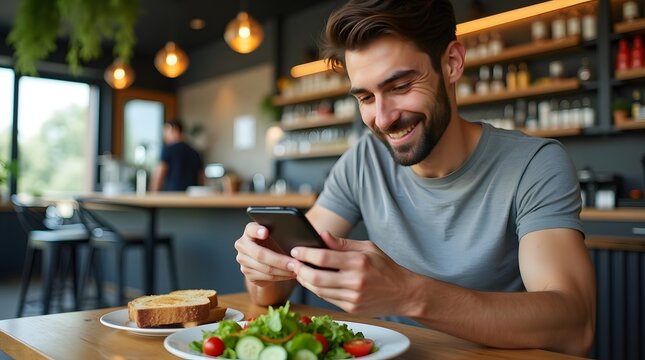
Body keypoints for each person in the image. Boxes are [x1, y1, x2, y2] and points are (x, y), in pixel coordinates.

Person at [234, 0, 595, 356]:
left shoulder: (534, 164)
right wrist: (262, 266)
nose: (383, 118)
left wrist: (409, 293)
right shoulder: (364, 160)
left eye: (401, 86)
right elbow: (272, 290)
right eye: (365, 97)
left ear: (452, 63)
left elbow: (574, 325)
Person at [150, 119, 204, 191]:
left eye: (166, 131)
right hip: (191, 197)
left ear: (174, 130)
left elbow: (159, 174)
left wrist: (152, 194)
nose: (164, 136)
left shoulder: (167, 150)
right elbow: (201, 179)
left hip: (172, 196)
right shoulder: (195, 152)